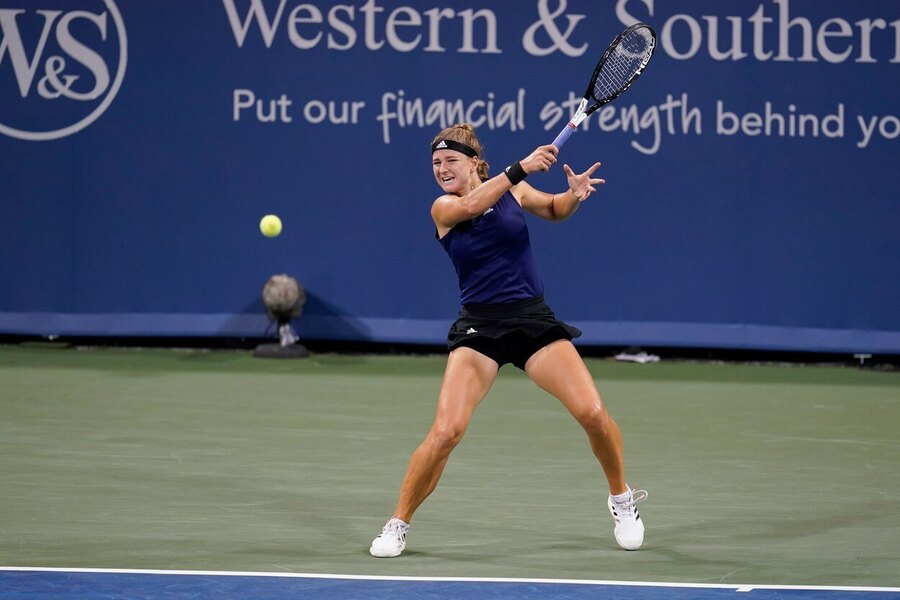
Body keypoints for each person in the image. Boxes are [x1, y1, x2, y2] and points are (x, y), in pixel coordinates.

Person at [370, 123, 647, 558]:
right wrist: (520, 168)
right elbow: (478, 202)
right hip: (480, 329)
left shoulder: (513, 191)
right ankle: (397, 522)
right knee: (446, 431)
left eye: (451, 161)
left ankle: (621, 498)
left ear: (474, 163)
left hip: (532, 321)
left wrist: (572, 195)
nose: (442, 169)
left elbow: (554, 209)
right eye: (436, 163)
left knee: (593, 413)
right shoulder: (443, 207)